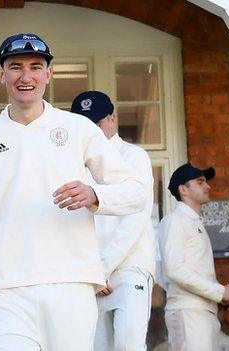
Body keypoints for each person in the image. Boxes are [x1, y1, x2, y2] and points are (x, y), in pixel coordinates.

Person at [0, 33, 146, 350]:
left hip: (70, 284)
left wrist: (95, 195)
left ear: (48, 74)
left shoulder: (78, 128)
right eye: (15, 67)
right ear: (1, 75)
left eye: (35, 66)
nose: (25, 76)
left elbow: (136, 192)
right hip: (5, 290)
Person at [71, 91, 156, 351]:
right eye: (85, 125)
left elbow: (135, 218)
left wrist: (102, 268)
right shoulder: (75, 165)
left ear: (112, 120)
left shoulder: (134, 156)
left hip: (129, 267)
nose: (92, 131)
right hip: (92, 276)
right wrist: (90, 272)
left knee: (128, 346)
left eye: (96, 124)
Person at [159, 163, 229, 351]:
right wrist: (221, 292)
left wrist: (220, 296)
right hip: (188, 311)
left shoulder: (193, 222)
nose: (208, 186)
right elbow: (175, 270)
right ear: (183, 189)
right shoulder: (175, 220)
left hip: (203, 312)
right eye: (200, 182)